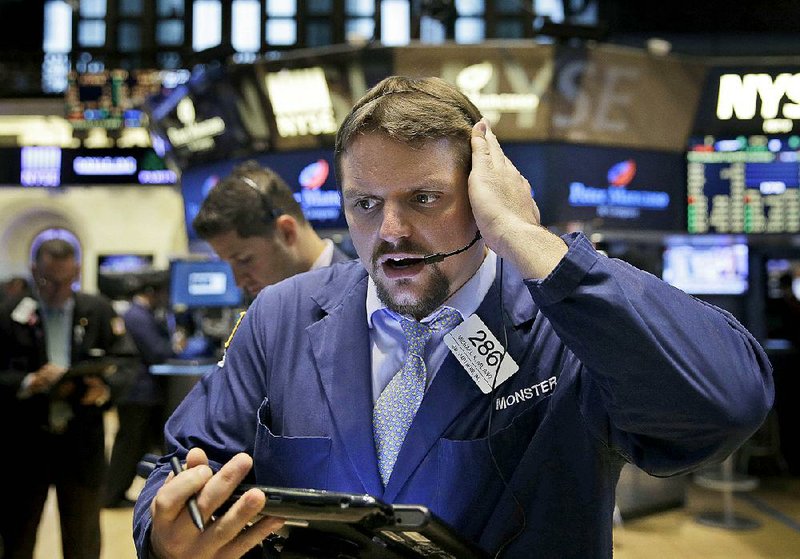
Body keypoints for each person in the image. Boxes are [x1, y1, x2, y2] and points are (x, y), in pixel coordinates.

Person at [133, 76, 774, 558]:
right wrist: (162, 535)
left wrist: (529, 238)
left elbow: (727, 404)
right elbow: (182, 463)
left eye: (425, 198)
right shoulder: (285, 315)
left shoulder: (564, 323)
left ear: (481, 191)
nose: (391, 232)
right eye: (365, 203)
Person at [0, 238, 130, 559]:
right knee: (17, 536)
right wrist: (28, 381)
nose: (57, 289)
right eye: (47, 281)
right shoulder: (8, 313)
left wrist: (105, 388)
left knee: (83, 538)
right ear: (33, 271)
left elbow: (127, 361)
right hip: (24, 445)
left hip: (82, 444)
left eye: (65, 281)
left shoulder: (97, 309)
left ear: (77, 271)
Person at [192, 160, 351, 300]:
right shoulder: (267, 308)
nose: (238, 282)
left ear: (287, 232)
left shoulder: (359, 297)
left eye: (244, 260)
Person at [104, 270, 179, 509]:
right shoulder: (137, 317)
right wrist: (174, 346)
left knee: (135, 445)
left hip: (142, 392)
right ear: (152, 292)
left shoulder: (142, 314)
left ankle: (117, 493)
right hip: (137, 393)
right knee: (128, 446)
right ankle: (112, 495)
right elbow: (157, 351)